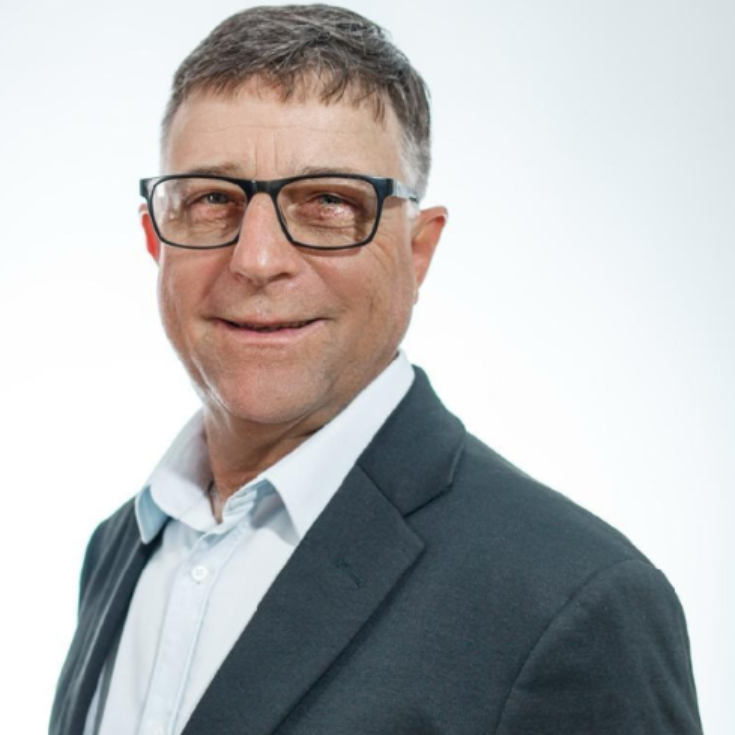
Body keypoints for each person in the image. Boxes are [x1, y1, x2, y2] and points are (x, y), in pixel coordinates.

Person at [50, 5, 703, 734]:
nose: (257, 260)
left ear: (419, 251)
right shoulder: (121, 546)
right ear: (155, 239)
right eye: (211, 200)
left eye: (329, 201)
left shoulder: (571, 603)